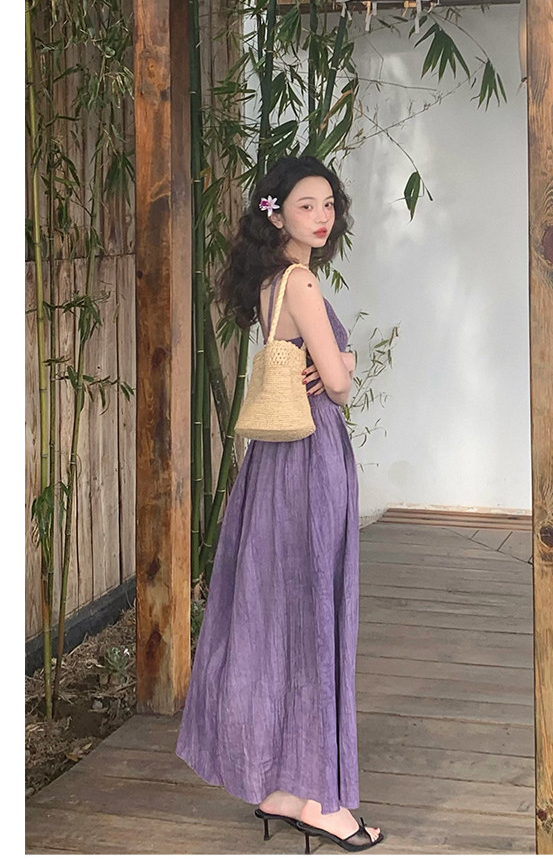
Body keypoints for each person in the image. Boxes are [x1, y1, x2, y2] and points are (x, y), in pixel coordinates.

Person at [174, 155, 384, 853]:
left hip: (273, 465)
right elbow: (339, 385)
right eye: (305, 205)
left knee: (283, 614)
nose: (321, 216)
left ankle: (285, 787)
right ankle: (322, 799)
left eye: (328, 204)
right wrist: (345, 364)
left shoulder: (269, 283)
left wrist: (333, 366)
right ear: (276, 214)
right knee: (316, 614)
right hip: (311, 458)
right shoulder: (302, 282)